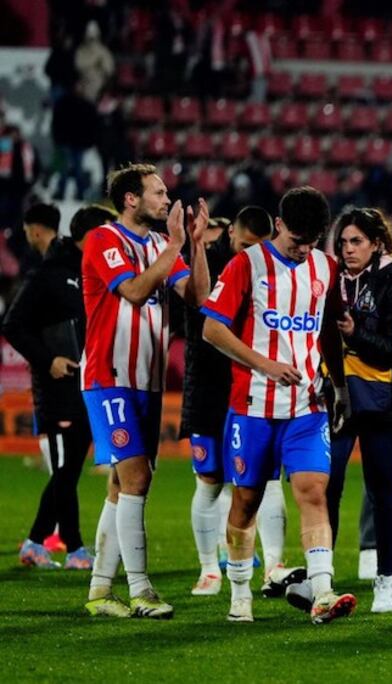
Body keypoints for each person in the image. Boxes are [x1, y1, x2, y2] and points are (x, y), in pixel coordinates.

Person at [201, 186, 357, 624]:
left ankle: (323, 592)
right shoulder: (246, 265)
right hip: (252, 408)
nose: (303, 249)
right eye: (296, 240)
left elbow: (327, 331)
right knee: (246, 501)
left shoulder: (325, 267)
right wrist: (264, 363)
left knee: (313, 491)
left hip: (307, 405)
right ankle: (239, 596)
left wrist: (340, 388)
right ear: (279, 224)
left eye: (312, 241)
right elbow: (212, 330)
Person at [81, 163, 213, 618]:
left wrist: (194, 245)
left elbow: (198, 297)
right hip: (109, 376)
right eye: (157, 192)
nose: (166, 199)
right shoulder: (103, 239)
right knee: (135, 478)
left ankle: (100, 591)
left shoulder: (159, 243)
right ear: (131, 199)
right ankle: (140, 590)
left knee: (123, 485)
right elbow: (135, 291)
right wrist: (176, 242)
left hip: (148, 379)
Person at [182, 206, 300, 599]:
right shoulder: (210, 263)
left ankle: (275, 565)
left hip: (255, 390)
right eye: (245, 245)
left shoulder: (273, 270)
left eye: (258, 246)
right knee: (211, 481)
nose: (250, 252)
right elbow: (201, 303)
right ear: (231, 233)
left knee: (265, 480)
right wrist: (196, 244)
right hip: (210, 390)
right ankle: (207, 569)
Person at [6, 203, 107, 571]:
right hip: (58, 388)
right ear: (92, 237)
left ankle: (72, 547)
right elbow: (12, 325)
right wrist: (48, 359)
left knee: (69, 469)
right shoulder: (48, 274)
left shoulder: (84, 272)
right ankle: (41, 543)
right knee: (64, 470)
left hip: (84, 385)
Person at [324, 208, 392, 613]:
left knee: (382, 492)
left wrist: (354, 334)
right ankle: (321, 578)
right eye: (343, 242)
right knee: (327, 485)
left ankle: (386, 581)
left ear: (376, 243)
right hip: (336, 396)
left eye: (356, 241)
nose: (348, 249)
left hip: (384, 400)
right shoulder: (329, 279)